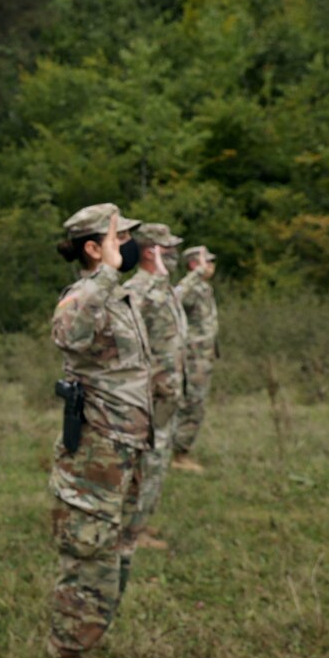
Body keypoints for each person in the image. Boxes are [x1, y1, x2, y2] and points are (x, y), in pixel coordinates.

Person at [47, 204, 152, 658]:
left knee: (107, 558)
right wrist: (108, 274)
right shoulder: (86, 295)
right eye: (121, 236)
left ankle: (85, 651)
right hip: (94, 455)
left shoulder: (116, 295)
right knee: (87, 558)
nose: (130, 243)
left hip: (121, 450)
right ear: (95, 247)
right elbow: (66, 334)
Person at [123, 223, 188, 551]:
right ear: (151, 251)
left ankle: (140, 525)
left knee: (157, 462)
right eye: (168, 248)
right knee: (145, 463)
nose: (174, 254)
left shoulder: (161, 288)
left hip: (166, 395)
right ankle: (129, 531)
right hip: (148, 397)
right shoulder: (138, 290)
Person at [172, 245, 219, 472]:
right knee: (192, 405)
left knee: (195, 404)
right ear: (193, 265)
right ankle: (179, 455)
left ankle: (178, 450)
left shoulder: (203, 288)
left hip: (202, 357)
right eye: (206, 262)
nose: (211, 266)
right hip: (192, 358)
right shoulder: (190, 287)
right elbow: (176, 297)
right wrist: (195, 275)